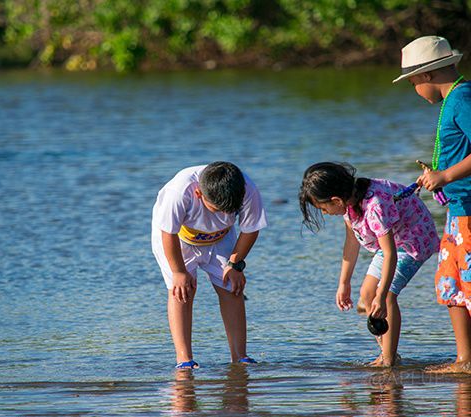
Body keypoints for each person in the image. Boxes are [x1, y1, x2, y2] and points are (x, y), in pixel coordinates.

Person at [299, 162, 439, 366]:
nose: (325, 213)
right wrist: (344, 283)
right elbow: (351, 242)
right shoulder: (349, 202)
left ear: (336, 200)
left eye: (323, 208)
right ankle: (387, 354)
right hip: (392, 241)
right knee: (366, 298)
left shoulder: (375, 206)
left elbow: (390, 253)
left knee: (388, 296)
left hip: (413, 239)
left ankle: (389, 362)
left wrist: (382, 296)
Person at [393, 35, 471, 372]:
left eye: (412, 81)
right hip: (458, 210)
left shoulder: (463, 98)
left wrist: (446, 176)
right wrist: (439, 176)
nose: (414, 89)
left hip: (469, 209)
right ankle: (465, 359)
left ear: (426, 75)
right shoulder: (452, 101)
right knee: (450, 283)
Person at [152, 161, 267, 369]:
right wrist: (178, 272)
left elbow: (250, 229)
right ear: (198, 193)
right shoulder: (178, 192)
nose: (222, 215)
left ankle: (240, 356)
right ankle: (184, 360)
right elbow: (167, 232)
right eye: (216, 209)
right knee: (182, 290)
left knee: (232, 286)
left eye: (227, 211)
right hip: (179, 240)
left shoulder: (247, 188)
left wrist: (235, 265)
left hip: (222, 239)